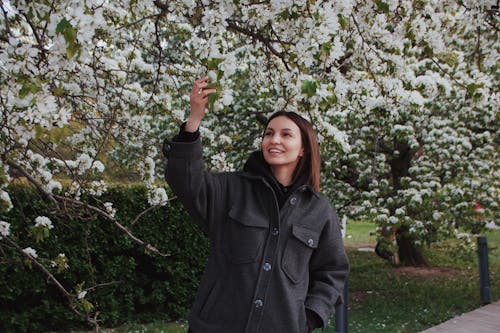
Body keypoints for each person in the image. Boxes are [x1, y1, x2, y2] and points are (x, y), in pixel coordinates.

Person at [163, 77, 349, 333]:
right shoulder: (231, 189)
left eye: (286, 135)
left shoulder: (319, 211)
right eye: (269, 134)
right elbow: (184, 180)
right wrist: (194, 121)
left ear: (303, 149)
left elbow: (332, 271)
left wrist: (308, 319)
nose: (274, 140)